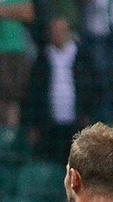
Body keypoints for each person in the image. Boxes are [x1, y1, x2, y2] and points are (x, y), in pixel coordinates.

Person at [25, 17, 92, 164]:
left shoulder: (83, 58)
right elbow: (34, 93)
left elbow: (92, 89)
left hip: (77, 124)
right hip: (49, 126)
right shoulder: (43, 59)